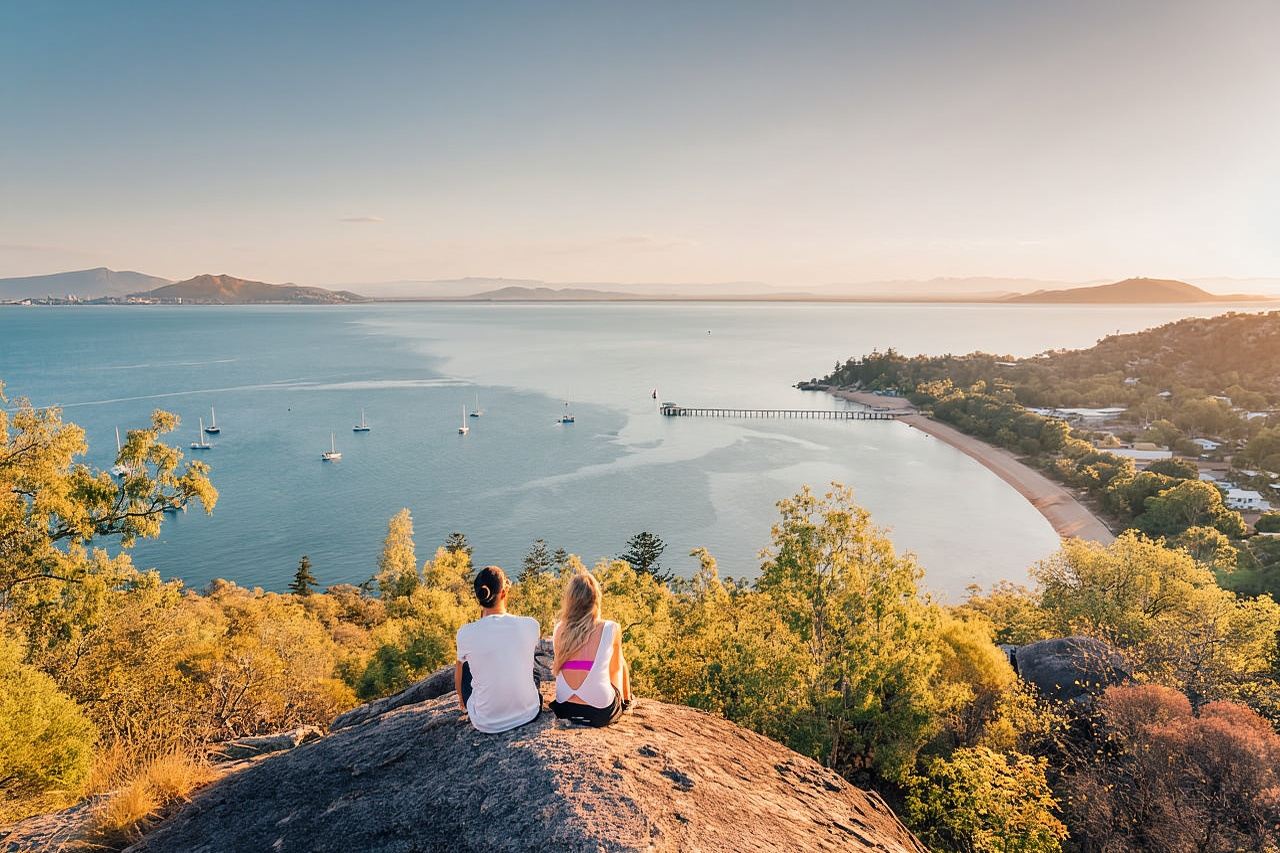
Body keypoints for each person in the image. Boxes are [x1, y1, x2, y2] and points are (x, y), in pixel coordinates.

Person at [454, 566, 542, 733]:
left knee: (463, 662)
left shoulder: (466, 633)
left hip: (486, 722)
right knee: (532, 662)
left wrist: (462, 698)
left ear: (479, 597)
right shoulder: (531, 624)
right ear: (504, 593)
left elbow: (459, 677)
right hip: (529, 713)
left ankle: (464, 706)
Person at [550, 568, 633, 727]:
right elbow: (615, 670)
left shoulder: (559, 629)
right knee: (619, 660)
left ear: (571, 600)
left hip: (564, 709)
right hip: (599, 712)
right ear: (596, 599)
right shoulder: (610, 628)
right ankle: (628, 700)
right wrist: (622, 700)